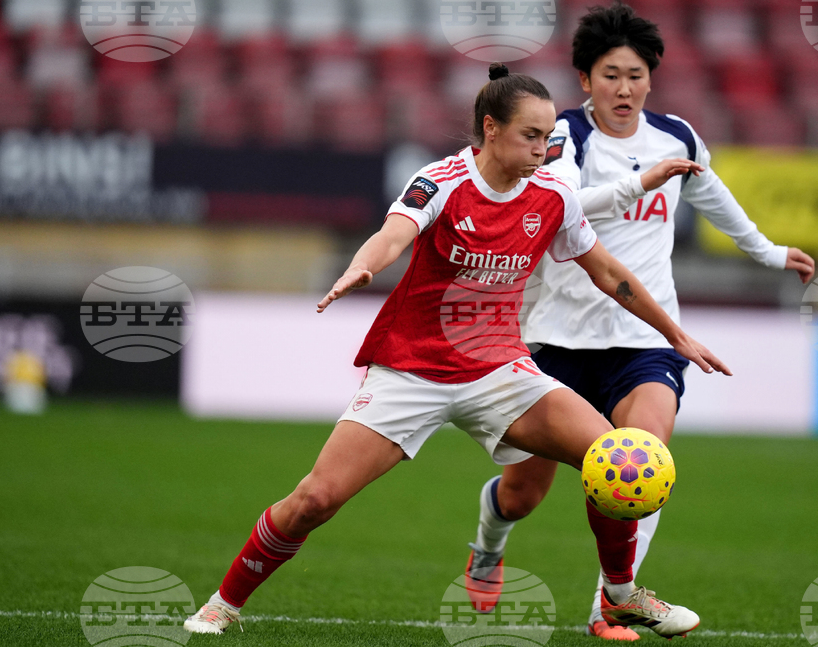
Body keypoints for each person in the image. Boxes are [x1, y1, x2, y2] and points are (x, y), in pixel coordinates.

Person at [182, 63, 731, 637]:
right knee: (315, 500)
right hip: (413, 371)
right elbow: (395, 231)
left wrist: (676, 335)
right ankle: (223, 602)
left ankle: (620, 595)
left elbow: (608, 272)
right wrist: (361, 268)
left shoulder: (554, 196)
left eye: (549, 138)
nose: (544, 150)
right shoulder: (441, 181)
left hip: (500, 370)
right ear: (491, 129)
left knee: (621, 460)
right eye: (531, 136)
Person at [462, 1, 816, 642]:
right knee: (521, 494)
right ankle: (488, 547)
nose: (623, 88)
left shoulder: (676, 137)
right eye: (609, 75)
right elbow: (564, 202)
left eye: (634, 75)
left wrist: (768, 251)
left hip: (645, 341)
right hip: (558, 342)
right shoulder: (565, 135)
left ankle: (610, 603)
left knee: (641, 466)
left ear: (651, 77)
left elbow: (716, 198)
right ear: (585, 81)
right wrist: (637, 181)